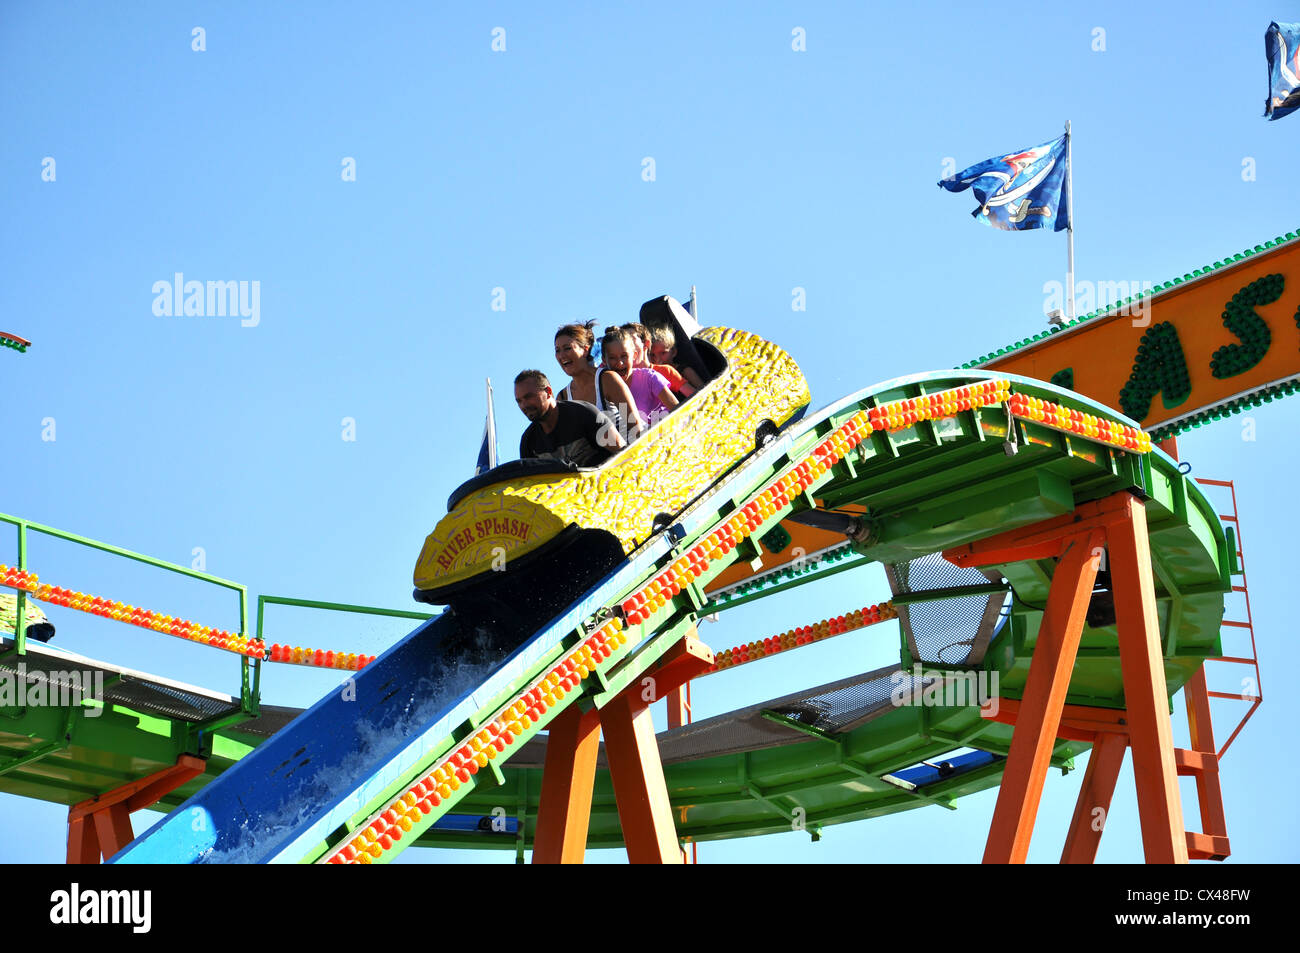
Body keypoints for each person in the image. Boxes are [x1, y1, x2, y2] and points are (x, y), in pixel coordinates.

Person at [553, 321, 642, 443]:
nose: (562, 355)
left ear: (585, 350)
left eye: (567, 348)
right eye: (557, 350)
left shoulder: (607, 380)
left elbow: (636, 427)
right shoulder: (562, 398)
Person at [515, 370, 623, 466]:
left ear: (548, 392)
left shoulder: (583, 413)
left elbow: (625, 454)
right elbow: (531, 485)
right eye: (519, 401)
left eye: (528, 397)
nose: (524, 405)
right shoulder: (528, 441)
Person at [602, 327, 678, 429]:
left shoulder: (649, 377)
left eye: (624, 356)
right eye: (612, 358)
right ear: (604, 360)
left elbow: (678, 410)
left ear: (634, 355)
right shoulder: (603, 390)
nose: (619, 363)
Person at [622, 322, 695, 399]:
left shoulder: (665, 371)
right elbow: (623, 410)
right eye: (623, 342)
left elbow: (697, 400)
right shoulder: (621, 380)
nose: (626, 346)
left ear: (646, 344)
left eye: (631, 340)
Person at [649, 324, 706, 391]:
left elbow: (704, 391)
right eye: (653, 355)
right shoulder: (650, 375)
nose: (657, 359)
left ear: (673, 352)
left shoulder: (685, 371)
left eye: (663, 353)